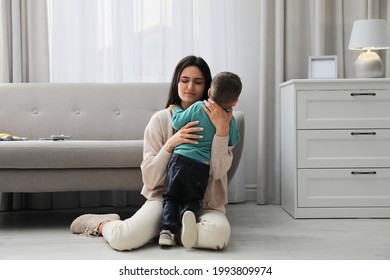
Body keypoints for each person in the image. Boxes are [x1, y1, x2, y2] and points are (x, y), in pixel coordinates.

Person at [70, 55, 236, 251]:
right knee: (123, 239)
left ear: (208, 88)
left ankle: (168, 229)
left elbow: (218, 172)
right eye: (184, 80)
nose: (190, 86)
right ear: (176, 83)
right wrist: (170, 145)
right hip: (164, 199)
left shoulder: (222, 120)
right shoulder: (160, 120)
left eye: (198, 82)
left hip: (206, 202)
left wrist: (222, 131)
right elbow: (150, 179)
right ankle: (102, 223)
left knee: (218, 236)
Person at [159, 72, 242, 248]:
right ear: (235, 102)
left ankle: (167, 231)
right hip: (202, 167)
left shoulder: (198, 107)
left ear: (209, 90)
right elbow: (233, 140)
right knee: (192, 198)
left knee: (171, 197)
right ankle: (188, 212)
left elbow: (177, 122)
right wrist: (225, 125)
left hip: (181, 159)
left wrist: (176, 109)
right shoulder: (229, 119)